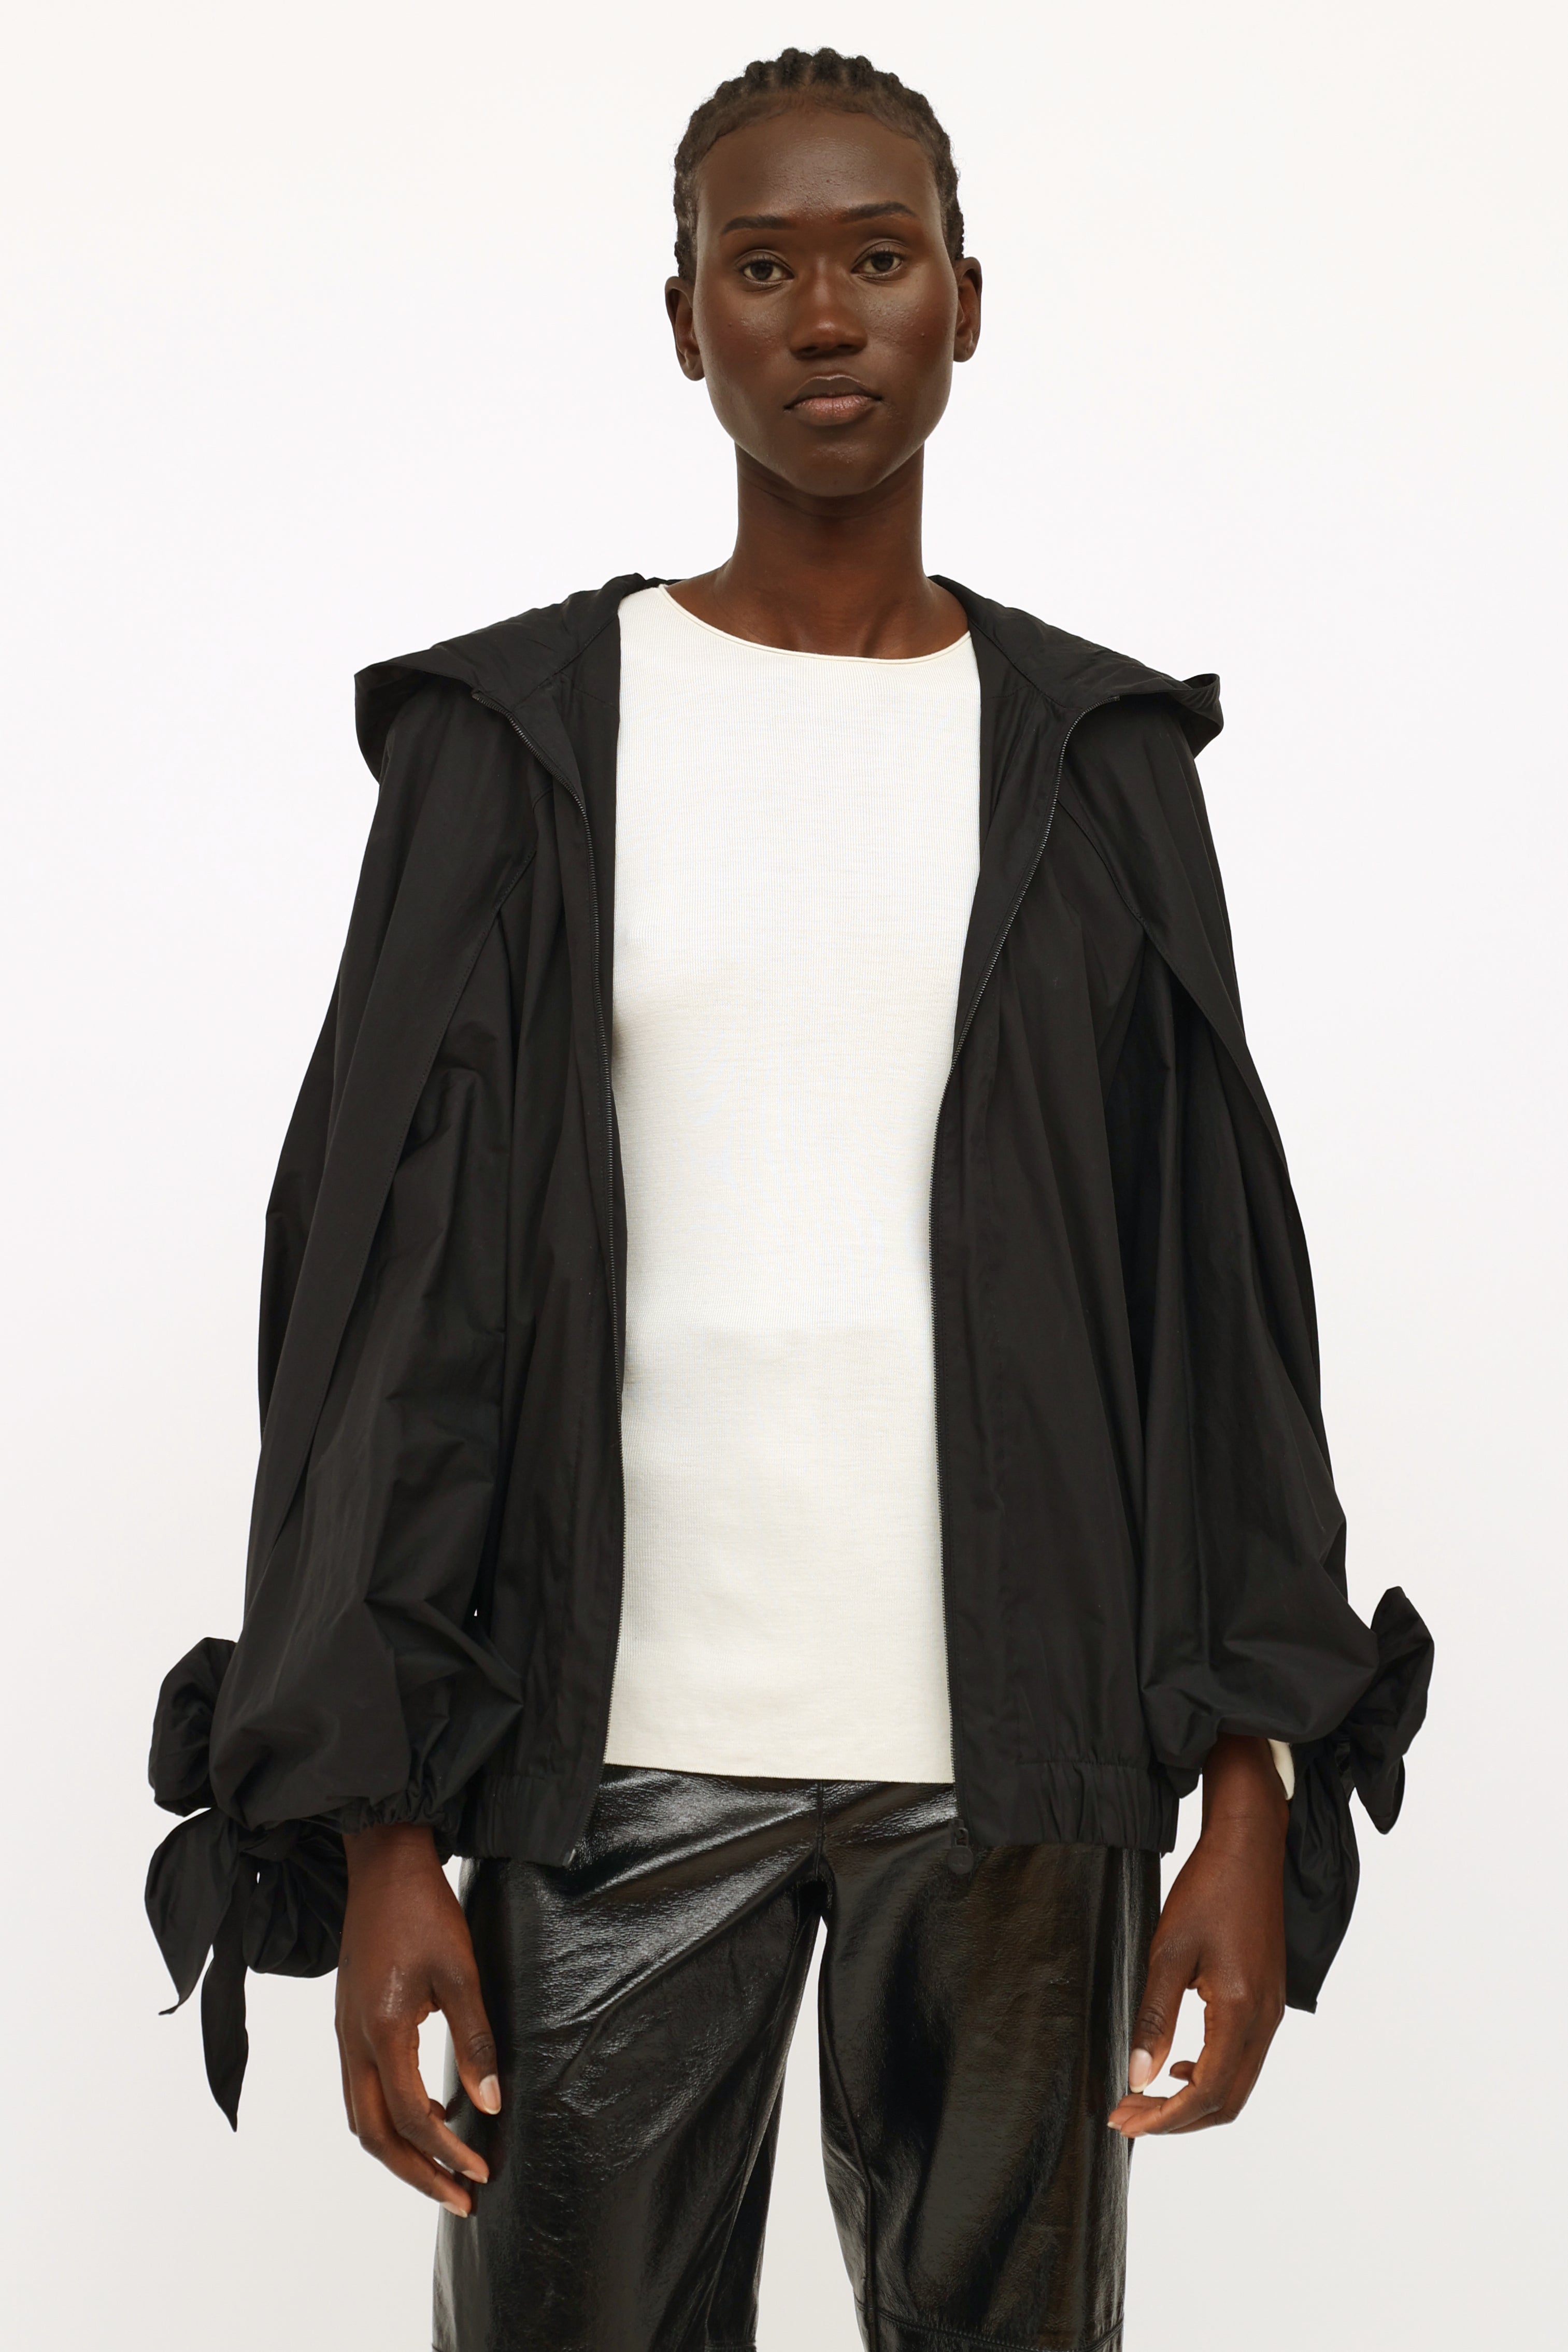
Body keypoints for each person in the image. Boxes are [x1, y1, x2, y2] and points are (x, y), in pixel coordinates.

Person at [146, 47, 1432, 2352]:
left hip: (1019, 1777)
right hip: (605, 1769)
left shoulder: (1095, 762)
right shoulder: (518, 743)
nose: (823, 317)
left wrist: (1247, 1788)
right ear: (683, 320)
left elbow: (1214, 1294)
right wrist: (380, 1833)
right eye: (761, 267)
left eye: (875, 259)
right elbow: (378, 1308)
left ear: (965, 301)